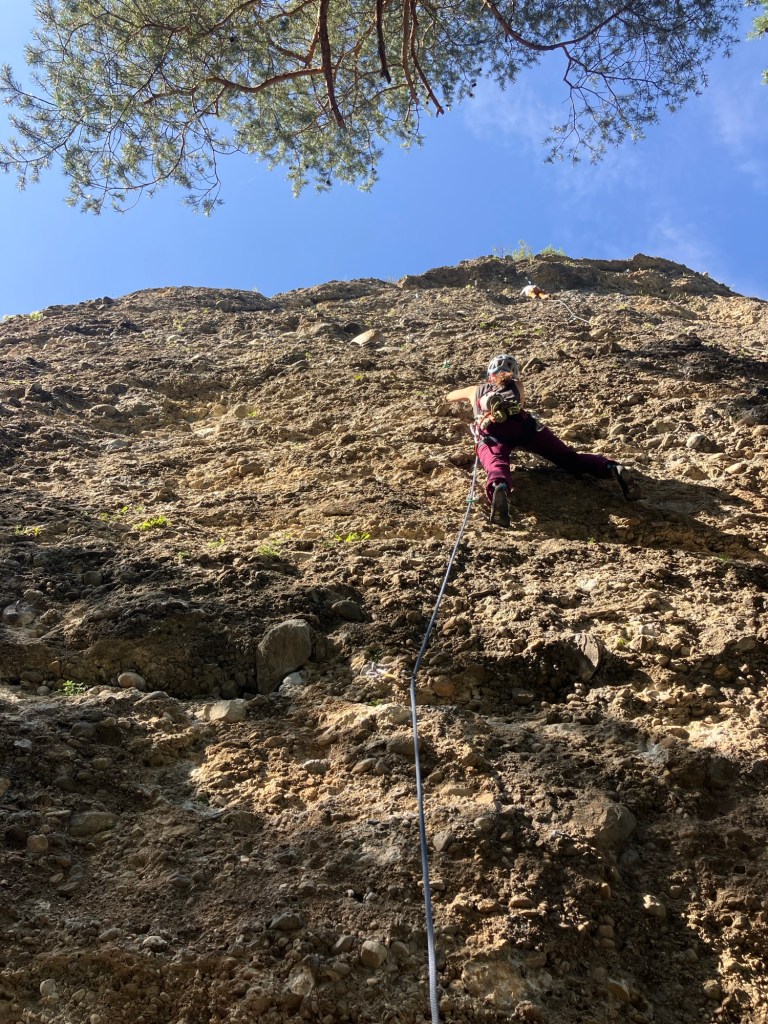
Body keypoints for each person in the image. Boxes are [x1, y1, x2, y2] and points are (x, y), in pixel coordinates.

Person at [446, 353, 642, 528]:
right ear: (514, 373)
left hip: (493, 430)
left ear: (489, 374)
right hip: (526, 426)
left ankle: (499, 486)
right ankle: (610, 467)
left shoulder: (476, 390)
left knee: (496, 463)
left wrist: (469, 396)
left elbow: (449, 396)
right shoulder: (517, 385)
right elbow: (520, 403)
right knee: (569, 458)